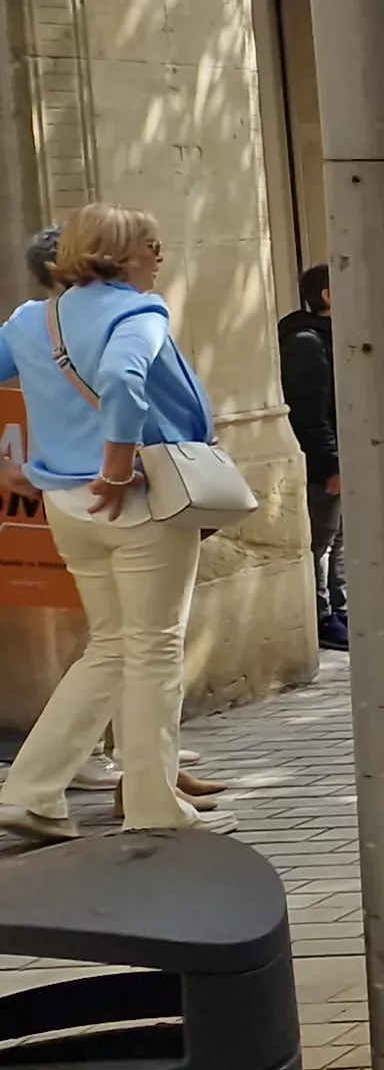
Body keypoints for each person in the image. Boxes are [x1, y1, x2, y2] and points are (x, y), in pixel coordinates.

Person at [0, 204, 232, 840]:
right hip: (133, 501)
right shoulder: (136, 312)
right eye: (151, 246)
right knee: (154, 649)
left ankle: (32, 791)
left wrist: (10, 465)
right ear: (119, 254)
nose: (159, 257)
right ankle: (154, 805)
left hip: (66, 506)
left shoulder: (30, 319)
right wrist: (115, 465)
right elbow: (124, 382)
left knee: (109, 646)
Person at [278, 262, 344, 650]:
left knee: (340, 539)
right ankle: (321, 616)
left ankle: (340, 608)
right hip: (325, 461)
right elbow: (310, 411)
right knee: (322, 539)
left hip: (344, 455)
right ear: (327, 295)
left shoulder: (338, 338)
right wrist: (330, 464)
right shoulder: (306, 342)